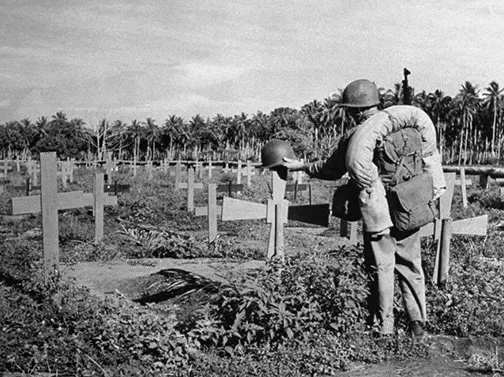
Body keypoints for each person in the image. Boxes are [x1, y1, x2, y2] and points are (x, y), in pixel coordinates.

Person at [283, 79, 446, 337]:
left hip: (378, 211)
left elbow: (331, 168)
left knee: (381, 266)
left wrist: (302, 166)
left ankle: (384, 327)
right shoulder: (409, 129)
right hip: (409, 206)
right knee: (411, 264)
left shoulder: (356, 136)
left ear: (355, 110)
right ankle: (417, 324)